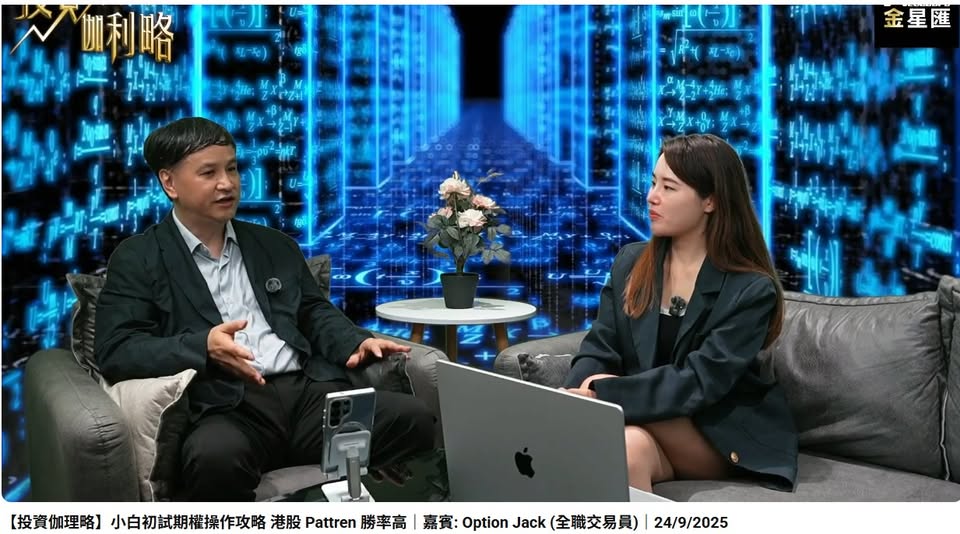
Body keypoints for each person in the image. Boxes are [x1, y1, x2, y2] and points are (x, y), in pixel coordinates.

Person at [94, 117, 435, 501]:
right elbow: (117, 351)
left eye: (232, 169)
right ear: (169, 182)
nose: (227, 183)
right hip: (225, 404)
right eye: (209, 173)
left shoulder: (273, 244)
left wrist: (355, 341)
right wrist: (203, 346)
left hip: (307, 395)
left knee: (413, 418)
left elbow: (312, 310)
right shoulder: (139, 258)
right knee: (214, 458)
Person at [562, 133, 798, 493]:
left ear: (710, 200)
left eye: (669, 188)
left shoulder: (751, 289)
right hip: (648, 416)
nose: (651, 196)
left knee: (602, 405)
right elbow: (600, 346)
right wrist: (571, 396)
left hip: (716, 429)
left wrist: (602, 394)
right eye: (653, 183)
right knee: (627, 451)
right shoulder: (631, 262)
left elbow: (699, 381)